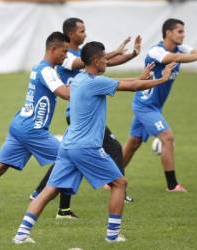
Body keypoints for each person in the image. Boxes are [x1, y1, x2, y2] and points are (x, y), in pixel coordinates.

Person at [13, 41, 175, 244]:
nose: (107, 61)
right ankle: (113, 235)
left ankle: (21, 233)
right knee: (120, 183)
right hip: (86, 148)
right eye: (105, 59)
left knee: (50, 190)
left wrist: (138, 78)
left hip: (68, 147)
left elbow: (117, 81)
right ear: (97, 61)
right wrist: (162, 80)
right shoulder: (95, 82)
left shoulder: (80, 79)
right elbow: (131, 87)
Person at [30, 17, 141, 219]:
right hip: (79, 112)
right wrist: (114, 51)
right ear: (71, 34)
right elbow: (92, 60)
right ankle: (117, 186)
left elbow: (107, 61)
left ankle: (51, 200)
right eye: (82, 31)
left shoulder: (83, 57)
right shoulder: (66, 57)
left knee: (69, 158)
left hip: (81, 110)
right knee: (92, 152)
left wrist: (131, 54)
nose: (85, 34)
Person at [0, 31, 70, 220]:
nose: (66, 55)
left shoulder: (38, 68)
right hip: (33, 130)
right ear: (53, 49)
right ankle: (63, 211)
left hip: (20, 125)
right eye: (64, 51)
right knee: (69, 158)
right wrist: (88, 87)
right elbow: (65, 94)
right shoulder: (46, 70)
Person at [123, 18, 197, 192]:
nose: (184, 34)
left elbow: (194, 51)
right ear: (168, 33)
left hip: (154, 106)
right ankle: (172, 185)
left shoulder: (180, 48)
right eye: (180, 31)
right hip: (145, 106)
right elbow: (177, 58)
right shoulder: (156, 51)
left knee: (134, 142)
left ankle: (110, 179)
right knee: (167, 137)